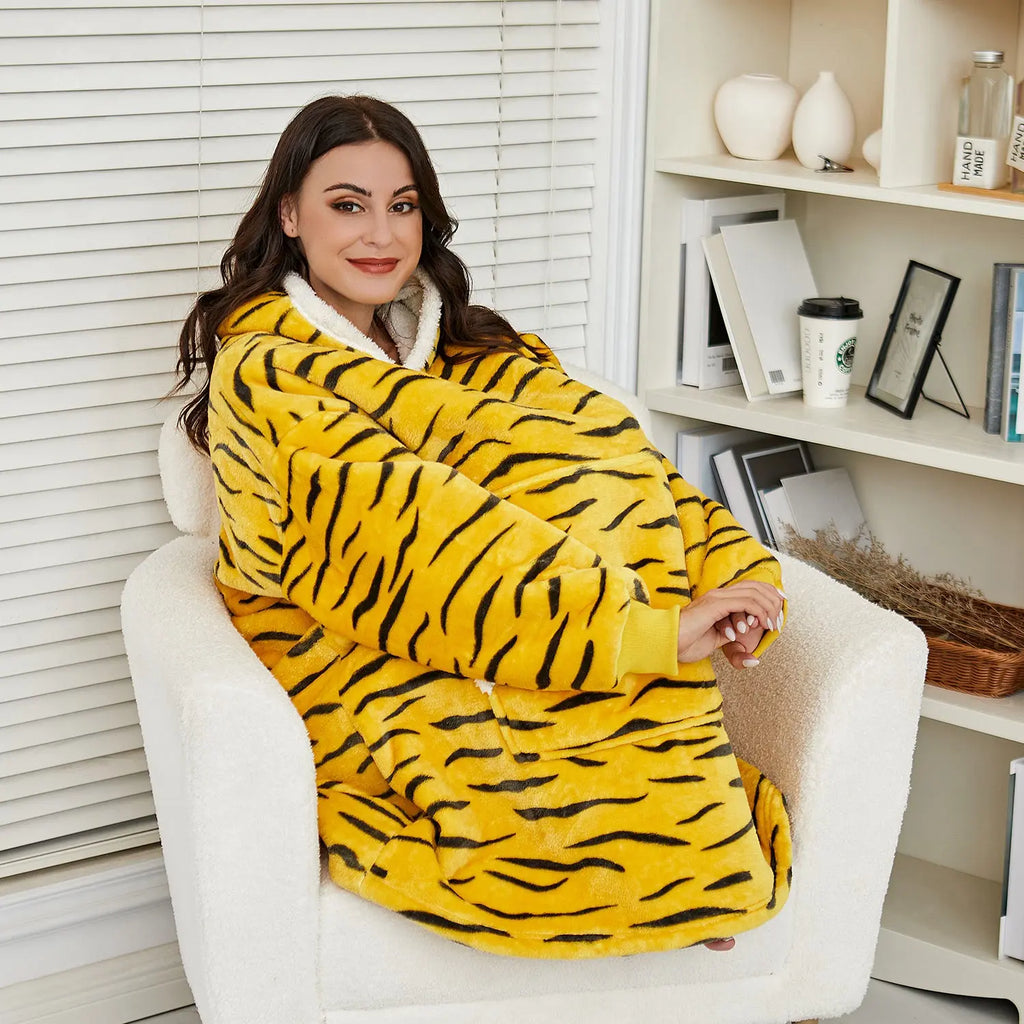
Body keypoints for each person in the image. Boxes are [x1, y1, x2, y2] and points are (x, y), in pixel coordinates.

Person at [174, 94, 791, 959]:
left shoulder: (474, 350)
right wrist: (646, 633)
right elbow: (411, 547)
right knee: (559, 795)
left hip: (524, 624)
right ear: (290, 215)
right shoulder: (268, 371)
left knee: (608, 506)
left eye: (402, 205)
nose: (380, 234)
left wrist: (734, 577)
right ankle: (669, 873)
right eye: (347, 205)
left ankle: (675, 860)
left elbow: (624, 459)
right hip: (364, 653)